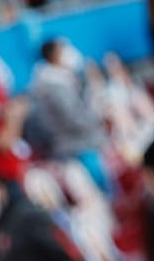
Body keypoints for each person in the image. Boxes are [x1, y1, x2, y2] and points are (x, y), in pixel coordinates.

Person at [26, 39, 111, 196]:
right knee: (100, 192)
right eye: (64, 49)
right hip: (76, 147)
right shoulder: (53, 88)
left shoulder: (63, 81)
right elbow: (74, 119)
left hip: (81, 144)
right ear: (54, 55)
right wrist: (98, 114)